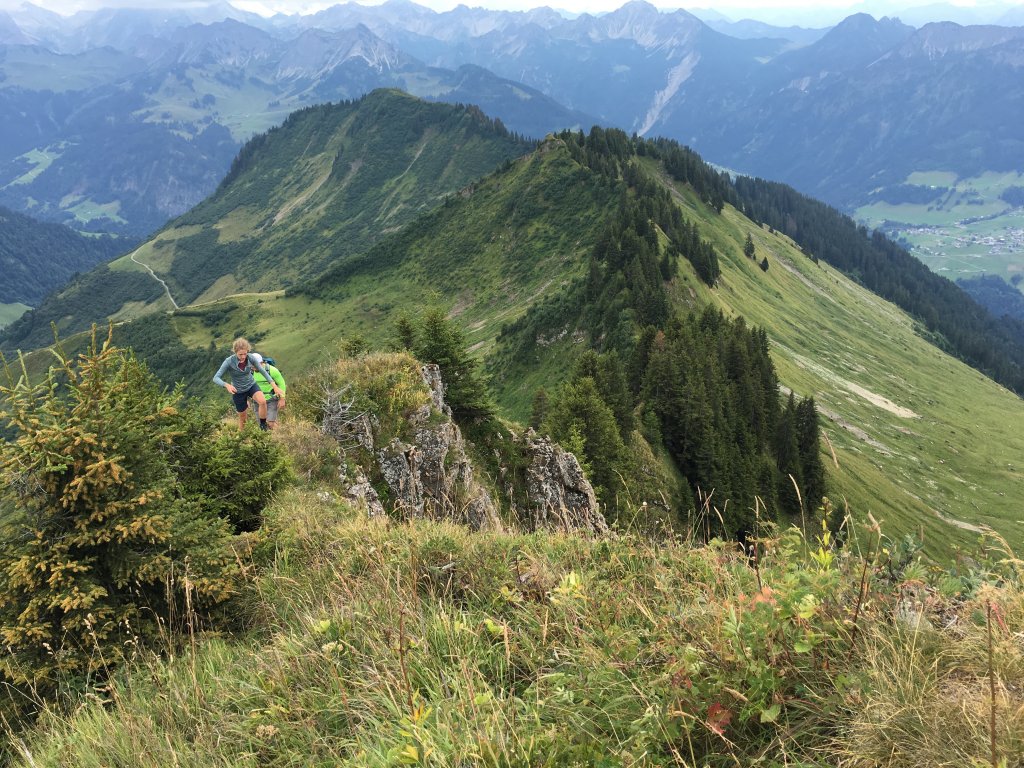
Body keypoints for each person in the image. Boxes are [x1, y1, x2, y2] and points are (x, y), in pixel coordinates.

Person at [213, 337, 283, 430]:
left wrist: (274, 386)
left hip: (251, 385)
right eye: (240, 354)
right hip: (238, 390)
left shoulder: (250, 357)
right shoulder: (229, 361)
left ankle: (263, 425)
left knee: (262, 401)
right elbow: (216, 378)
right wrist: (226, 385)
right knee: (243, 418)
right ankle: (242, 436)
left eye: (245, 354)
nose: (243, 357)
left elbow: (263, 371)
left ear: (247, 351)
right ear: (235, 352)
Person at [252, 356, 286, 430]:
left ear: (261, 363)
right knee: (262, 425)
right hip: (258, 401)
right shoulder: (249, 372)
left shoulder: (272, 370)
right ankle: (270, 436)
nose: (253, 368)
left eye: (255, 365)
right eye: (252, 365)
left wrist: (282, 398)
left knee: (270, 423)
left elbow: (281, 383)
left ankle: (280, 433)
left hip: (271, 399)